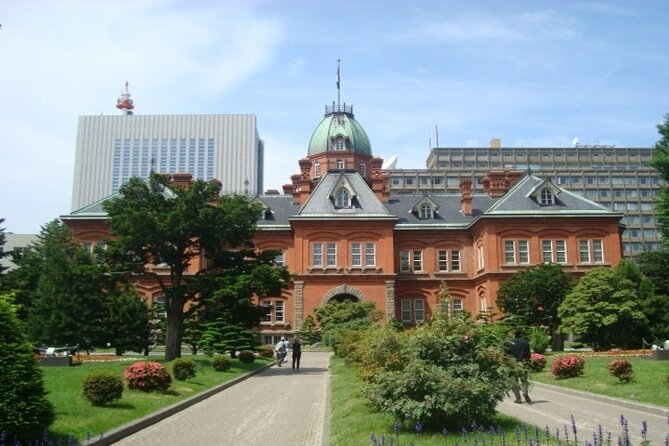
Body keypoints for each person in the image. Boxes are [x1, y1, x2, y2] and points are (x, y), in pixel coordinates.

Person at [505, 330, 532, 404]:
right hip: (523, 363)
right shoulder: (525, 343)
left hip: (512, 363)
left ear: (513, 334)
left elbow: (505, 355)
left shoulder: (508, 343)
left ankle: (518, 398)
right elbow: (528, 355)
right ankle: (525, 392)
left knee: (514, 381)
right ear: (521, 335)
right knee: (524, 380)